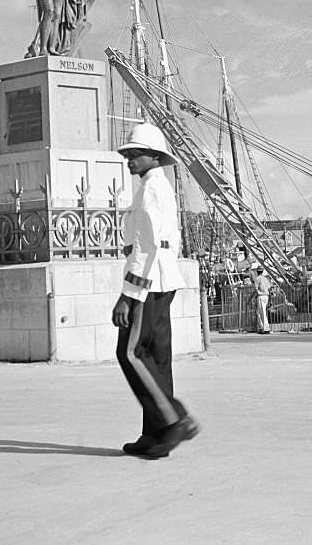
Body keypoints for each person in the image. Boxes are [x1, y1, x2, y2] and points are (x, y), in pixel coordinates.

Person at [112, 123, 199, 460]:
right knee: (156, 358)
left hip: (146, 284)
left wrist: (128, 294)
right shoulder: (158, 187)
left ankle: (173, 418)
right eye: (128, 154)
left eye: (135, 154)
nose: (129, 159)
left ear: (154, 156)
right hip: (163, 280)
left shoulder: (150, 190)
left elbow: (146, 247)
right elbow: (168, 242)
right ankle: (156, 434)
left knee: (131, 353)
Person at [252, 267, 272, 334]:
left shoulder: (257, 279)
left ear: (257, 272)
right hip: (266, 296)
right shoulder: (266, 279)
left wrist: (251, 299)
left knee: (262, 312)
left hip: (261, 296)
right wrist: (270, 299)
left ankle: (266, 328)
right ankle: (260, 327)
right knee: (259, 312)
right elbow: (269, 289)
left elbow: (256, 289)